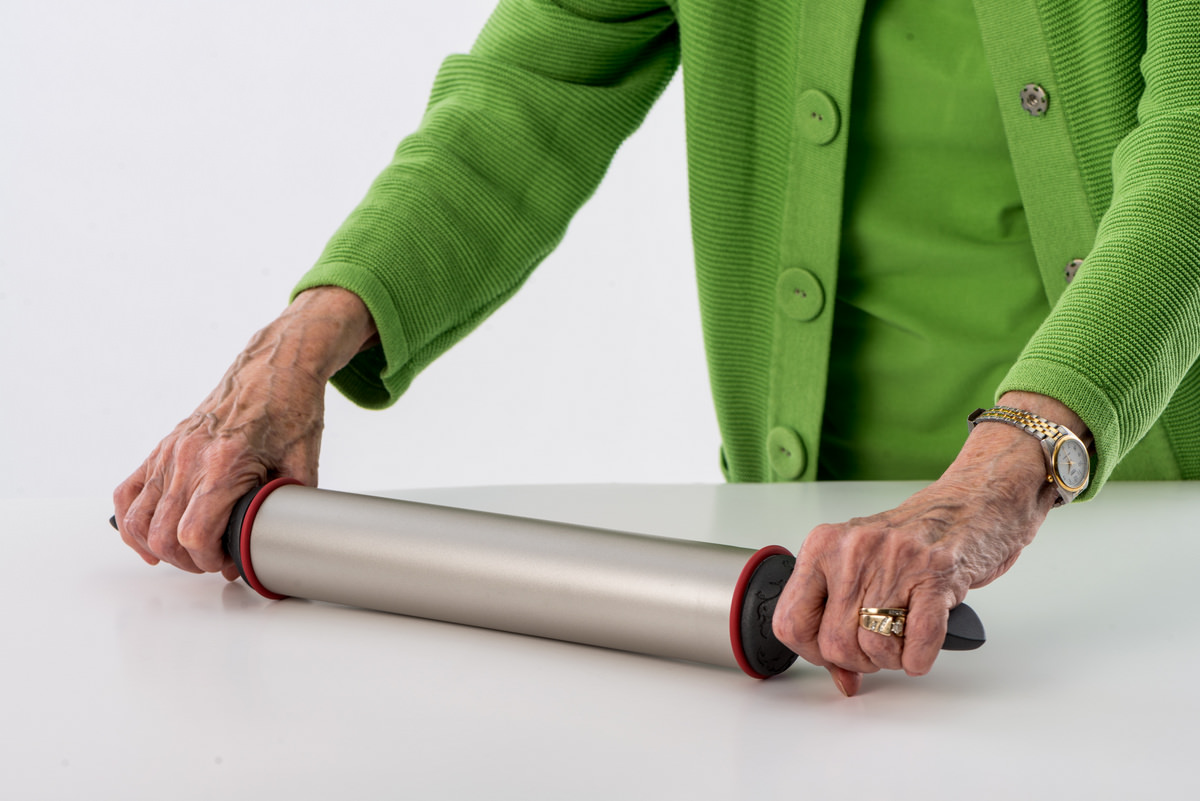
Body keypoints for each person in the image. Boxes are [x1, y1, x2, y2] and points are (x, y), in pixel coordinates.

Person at [113, 0, 1199, 697]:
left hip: (1151, 540)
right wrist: (295, 348)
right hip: (807, 563)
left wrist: (1005, 474)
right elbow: (534, 85)